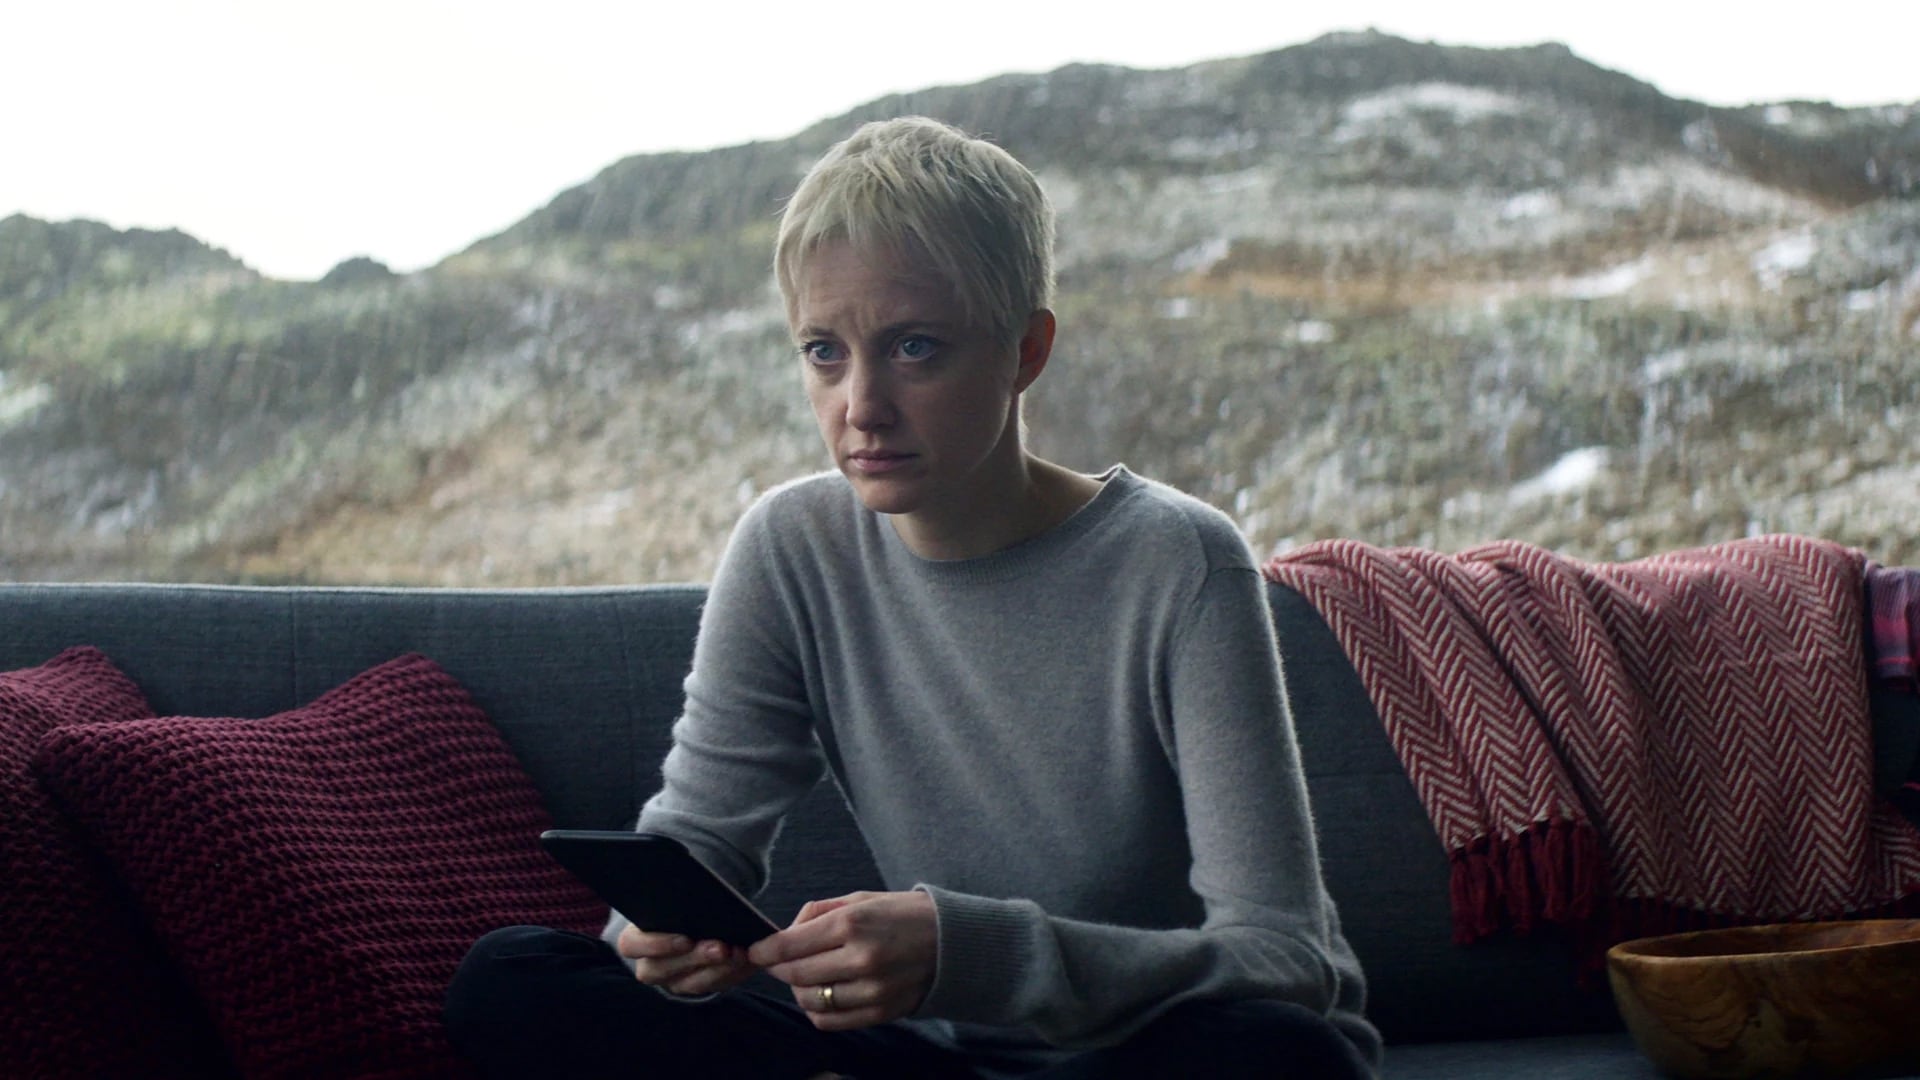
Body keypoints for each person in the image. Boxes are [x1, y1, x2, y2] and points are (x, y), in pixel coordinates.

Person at [444, 116, 1381, 1079]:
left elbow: (1284, 962)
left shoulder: (1179, 562)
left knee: (1283, 1055)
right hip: (927, 1058)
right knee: (511, 980)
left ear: (1025, 351)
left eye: (914, 347)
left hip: (1135, 1056)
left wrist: (971, 953)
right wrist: (658, 943)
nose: (861, 407)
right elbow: (699, 839)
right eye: (824, 352)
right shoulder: (791, 546)